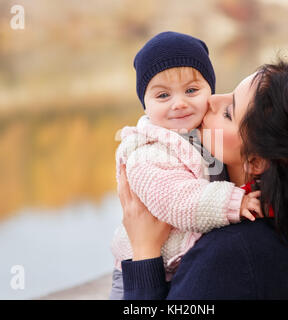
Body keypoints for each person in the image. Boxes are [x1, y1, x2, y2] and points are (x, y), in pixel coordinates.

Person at [118, 61, 288, 299]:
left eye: (228, 112)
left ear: (256, 162)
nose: (211, 100)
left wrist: (144, 252)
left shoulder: (227, 257)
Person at [110, 31, 263, 300]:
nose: (179, 103)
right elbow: (177, 199)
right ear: (145, 105)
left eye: (191, 90)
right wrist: (233, 202)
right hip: (138, 270)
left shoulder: (205, 138)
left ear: (209, 91)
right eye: (162, 96)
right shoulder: (148, 150)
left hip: (180, 262)